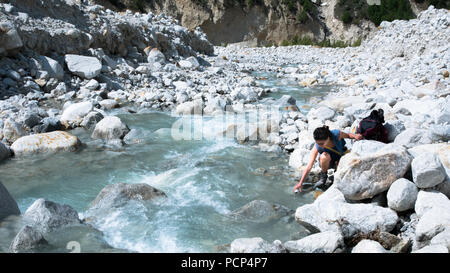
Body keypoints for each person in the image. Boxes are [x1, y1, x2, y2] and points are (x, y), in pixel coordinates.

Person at [293, 125, 363, 193]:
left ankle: (332, 175)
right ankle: (324, 176)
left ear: (328, 138)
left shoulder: (337, 134)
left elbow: (348, 135)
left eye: (322, 143)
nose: (319, 145)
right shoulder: (317, 146)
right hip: (328, 161)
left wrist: (355, 136)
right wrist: (300, 183)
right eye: (318, 143)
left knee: (341, 168)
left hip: (340, 157)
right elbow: (309, 166)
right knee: (324, 157)